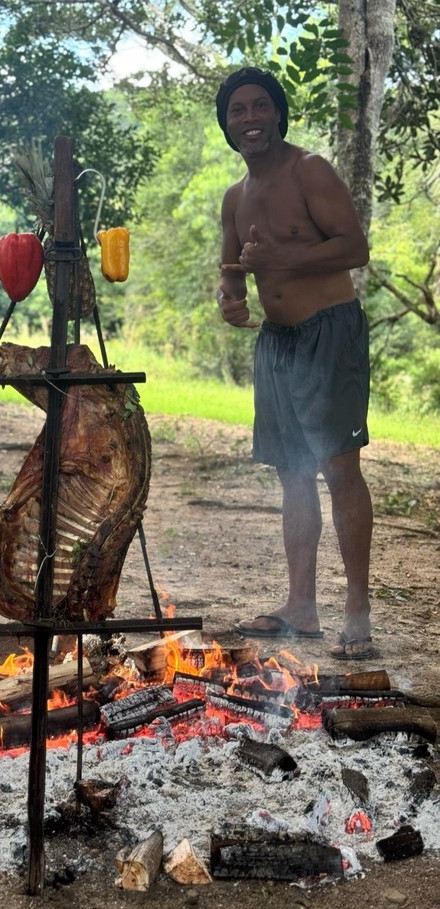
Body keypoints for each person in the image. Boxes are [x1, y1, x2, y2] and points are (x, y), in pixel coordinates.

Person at [215, 67, 374, 660]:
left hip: (329, 334)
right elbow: (232, 271)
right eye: (237, 110)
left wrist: (286, 255)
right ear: (227, 125)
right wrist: (231, 303)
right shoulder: (236, 196)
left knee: (339, 469)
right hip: (276, 344)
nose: (250, 118)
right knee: (292, 472)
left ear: (278, 114)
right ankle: (301, 607)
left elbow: (355, 247)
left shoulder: (309, 170)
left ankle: (356, 608)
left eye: (260, 106)